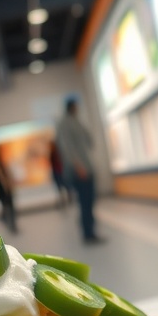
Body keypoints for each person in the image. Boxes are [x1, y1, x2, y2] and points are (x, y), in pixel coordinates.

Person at [55, 96, 102, 243]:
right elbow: (67, 148)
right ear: (72, 106)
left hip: (86, 168)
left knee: (90, 201)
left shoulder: (77, 122)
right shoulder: (64, 124)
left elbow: (89, 141)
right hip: (79, 171)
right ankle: (87, 233)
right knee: (85, 201)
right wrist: (78, 166)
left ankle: (91, 230)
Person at [0, 145, 18, 233]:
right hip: (4, 191)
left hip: (2, 191)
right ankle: (11, 224)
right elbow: (3, 179)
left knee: (7, 208)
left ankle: (10, 224)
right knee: (9, 208)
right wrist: (8, 188)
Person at [48, 138, 71, 205]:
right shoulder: (53, 153)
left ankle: (68, 198)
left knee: (65, 185)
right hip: (57, 172)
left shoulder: (58, 152)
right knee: (60, 187)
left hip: (60, 171)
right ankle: (63, 199)